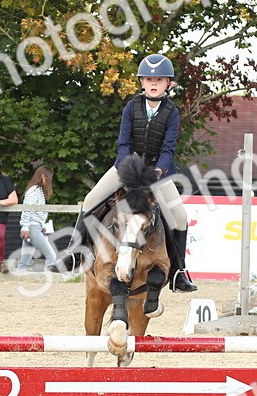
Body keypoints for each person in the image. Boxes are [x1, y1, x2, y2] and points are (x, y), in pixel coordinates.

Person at [76, 53, 197, 291]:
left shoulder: (171, 112)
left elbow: (168, 148)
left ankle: (178, 272)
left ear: (168, 84)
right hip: (126, 168)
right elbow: (123, 144)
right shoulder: (132, 107)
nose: (154, 83)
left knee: (180, 216)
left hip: (158, 172)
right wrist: (128, 169)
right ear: (141, 82)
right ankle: (72, 254)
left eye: (160, 80)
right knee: (90, 199)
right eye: (149, 79)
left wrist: (159, 170)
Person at [16, 166, 59, 273]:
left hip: (35, 227)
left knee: (25, 260)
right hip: (32, 227)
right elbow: (27, 209)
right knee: (51, 256)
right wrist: (25, 227)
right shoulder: (34, 190)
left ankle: (18, 278)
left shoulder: (38, 190)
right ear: (43, 176)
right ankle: (48, 279)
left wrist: (42, 225)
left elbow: (35, 212)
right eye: (49, 177)